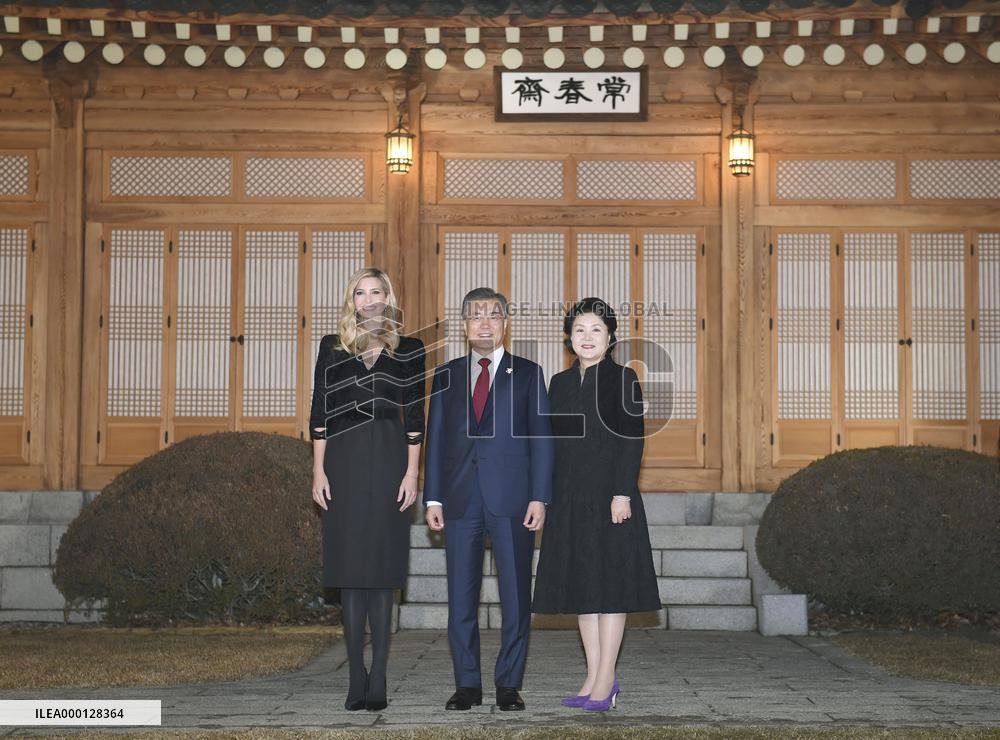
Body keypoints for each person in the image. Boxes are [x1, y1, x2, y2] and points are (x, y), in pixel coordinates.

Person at [423, 287, 554, 712]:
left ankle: (508, 685)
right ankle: (467, 685)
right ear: (464, 325)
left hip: (513, 499)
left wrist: (540, 497)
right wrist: (433, 498)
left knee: (516, 596)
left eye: (493, 315)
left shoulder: (529, 374)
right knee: (461, 597)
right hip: (461, 500)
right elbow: (436, 438)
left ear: (505, 323)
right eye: (476, 316)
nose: (485, 322)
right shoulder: (446, 375)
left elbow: (542, 441)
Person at [532, 297, 660, 712]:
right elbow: (553, 445)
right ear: (569, 337)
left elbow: (631, 440)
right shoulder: (559, 384)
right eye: (580, 330)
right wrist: (546, 496)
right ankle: (592, 676)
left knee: (610, 587)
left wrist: (621, 493)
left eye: (597, 330)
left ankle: (607, 679)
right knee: (583, 589)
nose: (588, 338)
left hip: (610, 498)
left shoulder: (625, 380)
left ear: (610, 338)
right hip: (570, 499)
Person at [309, 267, 426, 712]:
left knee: (381, 574)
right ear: (352, 300)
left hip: (391, 461)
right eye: (361, 292)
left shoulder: (410, 349)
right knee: (352, 574)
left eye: (378, 292)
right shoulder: (332, 347)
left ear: (388, 298)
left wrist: (412, 472)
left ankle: (378, 675)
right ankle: (354, 673)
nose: (370, 299)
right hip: (342, 462)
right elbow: (319, 412)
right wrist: (318, 471)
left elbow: (415, 416)